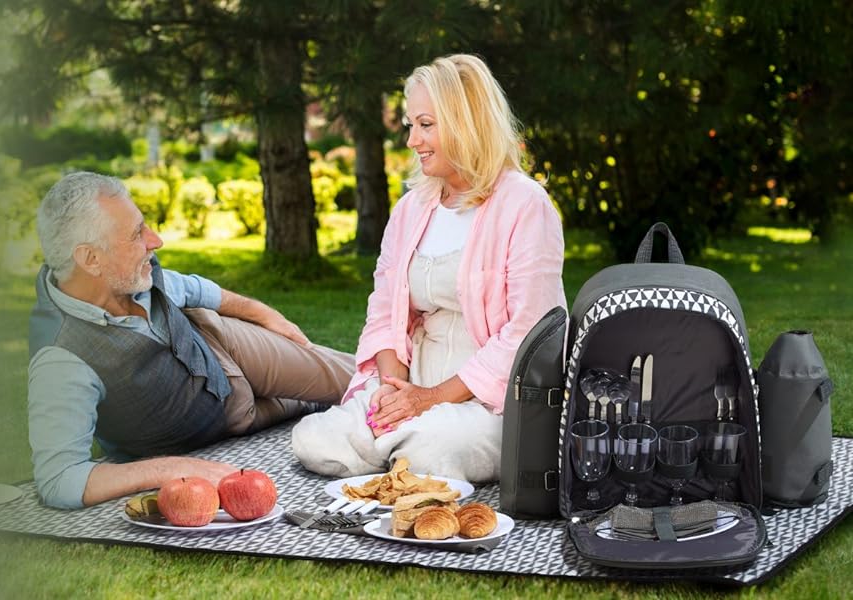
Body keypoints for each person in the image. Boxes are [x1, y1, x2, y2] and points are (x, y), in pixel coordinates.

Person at [291, 54, 567, 483]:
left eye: (425, 124)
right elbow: (384, 312)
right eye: (410, 125)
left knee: (428, 447)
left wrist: (432, 399)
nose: (412, 140)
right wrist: (391, 391)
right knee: (313, 439)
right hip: (413, 376)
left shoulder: (525, 204)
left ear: (465, 122)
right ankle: (395, 450)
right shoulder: (410, 209)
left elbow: (531, 331)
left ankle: (396, 455)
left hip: (489, 398)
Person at [28, 172, 355, 509]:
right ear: (91, 259)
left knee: (362, 379)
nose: (156, 241)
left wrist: (264, 314)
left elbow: (199, 290)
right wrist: (174, 468)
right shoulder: (61, 358)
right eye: (136, 234)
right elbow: (58, 480)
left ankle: (414, 388)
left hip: (224, 348)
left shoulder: (133, 276)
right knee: (329, 406)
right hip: (226, 421)